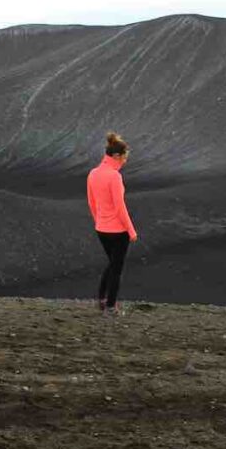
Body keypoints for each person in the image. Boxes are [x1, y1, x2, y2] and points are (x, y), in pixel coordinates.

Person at [86, 130, 138, 317]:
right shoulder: (114, 177)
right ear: (116, 156)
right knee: (117, 269)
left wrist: (99, 222)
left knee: (112, 263)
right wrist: (131, 231)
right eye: (124, 157)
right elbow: (120, 207)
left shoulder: (93, 173)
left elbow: (92, 202)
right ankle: (110, 307)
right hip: (118, 230)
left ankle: (101, 299)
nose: (125, 160)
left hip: (102, 229)